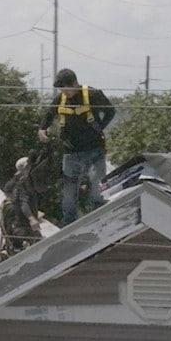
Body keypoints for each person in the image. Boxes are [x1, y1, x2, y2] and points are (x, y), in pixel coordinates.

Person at [37, 68, 116, 224]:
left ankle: (99, 218)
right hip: (71, 151)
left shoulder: (93, 95)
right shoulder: (61, 99)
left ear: (74, 83)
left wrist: (100, 127)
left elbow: (111, 111)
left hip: (94, 149)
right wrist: (42, 129)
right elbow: (49, 115)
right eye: (61, 89)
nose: (63, 92)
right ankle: (69, 222)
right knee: (69, 191)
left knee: (97, 186)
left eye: (65, 88)